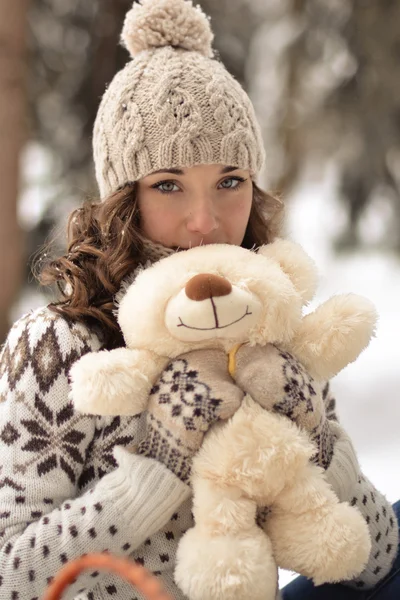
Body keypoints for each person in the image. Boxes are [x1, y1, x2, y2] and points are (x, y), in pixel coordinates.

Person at [0, 0, 398, 599]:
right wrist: (157, 465)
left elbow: (379, 558)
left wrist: (314, 437)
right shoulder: (59, 345)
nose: (205, 220)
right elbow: (11, 573)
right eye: (168, 185)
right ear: (123, 198)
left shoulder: (267, 320)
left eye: (229, 182)